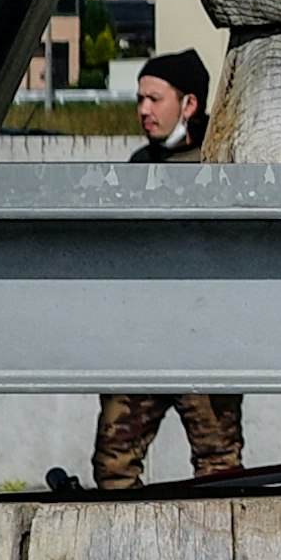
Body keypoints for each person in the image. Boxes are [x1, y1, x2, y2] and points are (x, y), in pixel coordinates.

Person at [93, 47, 243, 490]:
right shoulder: (141, 166)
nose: (143, 110)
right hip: (144, 342)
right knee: (113, 466)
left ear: (189, 103)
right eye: (140, 99)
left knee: (220, 470)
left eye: (154, 99)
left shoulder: (223, 161)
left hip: (207, 343)